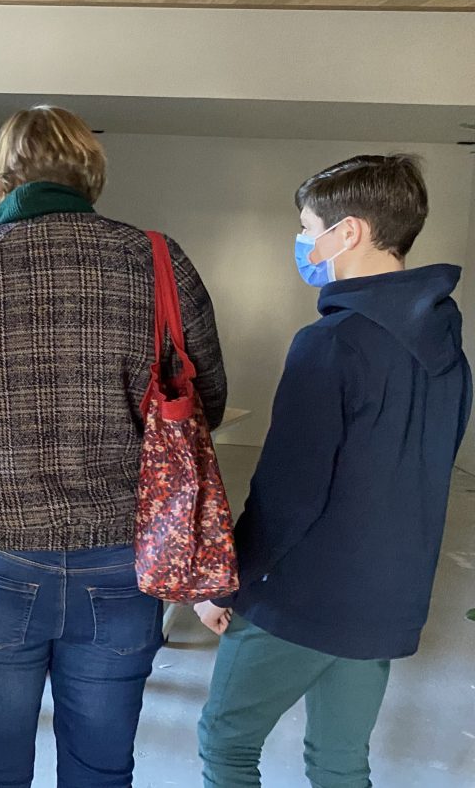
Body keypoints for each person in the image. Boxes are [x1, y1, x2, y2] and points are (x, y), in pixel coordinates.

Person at [0, 107, 227, 788]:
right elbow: (204, 403)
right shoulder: (158, 259)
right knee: (102, 768)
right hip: (125, 556)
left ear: (4, 174)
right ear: (91, 173)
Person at [195, 154, 471, 788]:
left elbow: (289, 492)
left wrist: (228, 582)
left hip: (303, 596)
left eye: (305, 225)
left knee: (226, 744)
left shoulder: (331, 343)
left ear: (348, 232)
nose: (301, 241)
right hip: (386, 599)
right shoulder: (448, 347)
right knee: (341, 763)